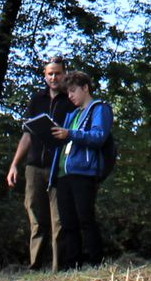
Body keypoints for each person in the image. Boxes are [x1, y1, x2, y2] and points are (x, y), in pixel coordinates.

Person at [6, 57, 71, 270]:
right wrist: (15, 164)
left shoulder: (70, 100)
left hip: (58, 166)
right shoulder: (36, 100)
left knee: (58, 219)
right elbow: (26, 135)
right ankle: (35, 266)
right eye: (50, 74)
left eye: (58, 73)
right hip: (34, 165)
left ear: (64, 74)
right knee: (35, 215)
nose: (54, 77)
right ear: (45, 76)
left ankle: (58, 267)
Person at [47, 70, 112, 269]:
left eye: (74, 91)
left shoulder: (99, 109)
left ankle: (95, 261)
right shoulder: (73, 114)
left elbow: (98, 136)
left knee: (85, 218)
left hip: (84, 171)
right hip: (64, 172)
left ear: (85, 88)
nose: (71, 96)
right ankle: (72, 264)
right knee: (68, 222)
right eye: (68, 93)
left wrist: (70, 134)